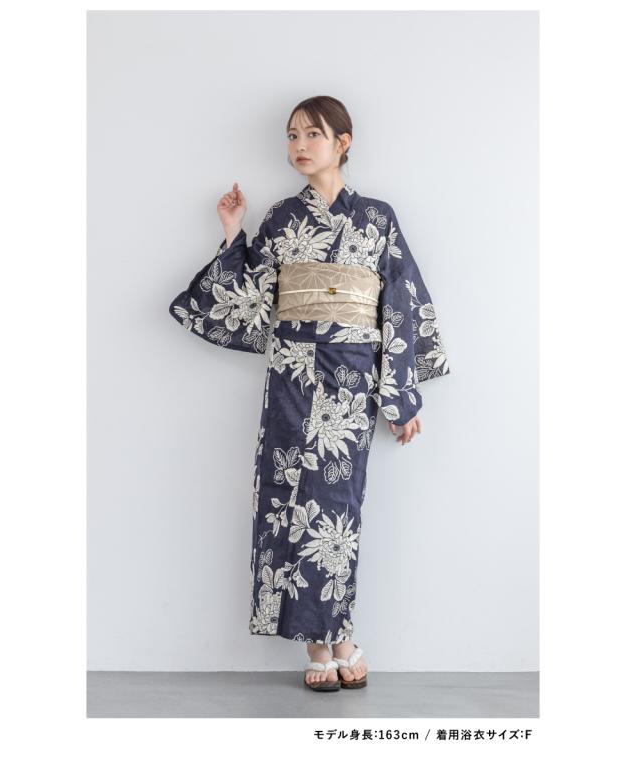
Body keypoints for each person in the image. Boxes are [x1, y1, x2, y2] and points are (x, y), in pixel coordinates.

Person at [169, 95, 451, 692]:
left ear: (343, 142)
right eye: (292, 135)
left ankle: (339, 634)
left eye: (312, 134)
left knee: (336, 509)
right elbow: (252, 297)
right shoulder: (280, 217)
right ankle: (321, 645)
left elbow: (401, 303)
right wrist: (233, 232)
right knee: (287, 497)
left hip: (351, 379)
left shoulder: (377, 218)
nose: (299, 145)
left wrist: (400, 397)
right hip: (291, 375)